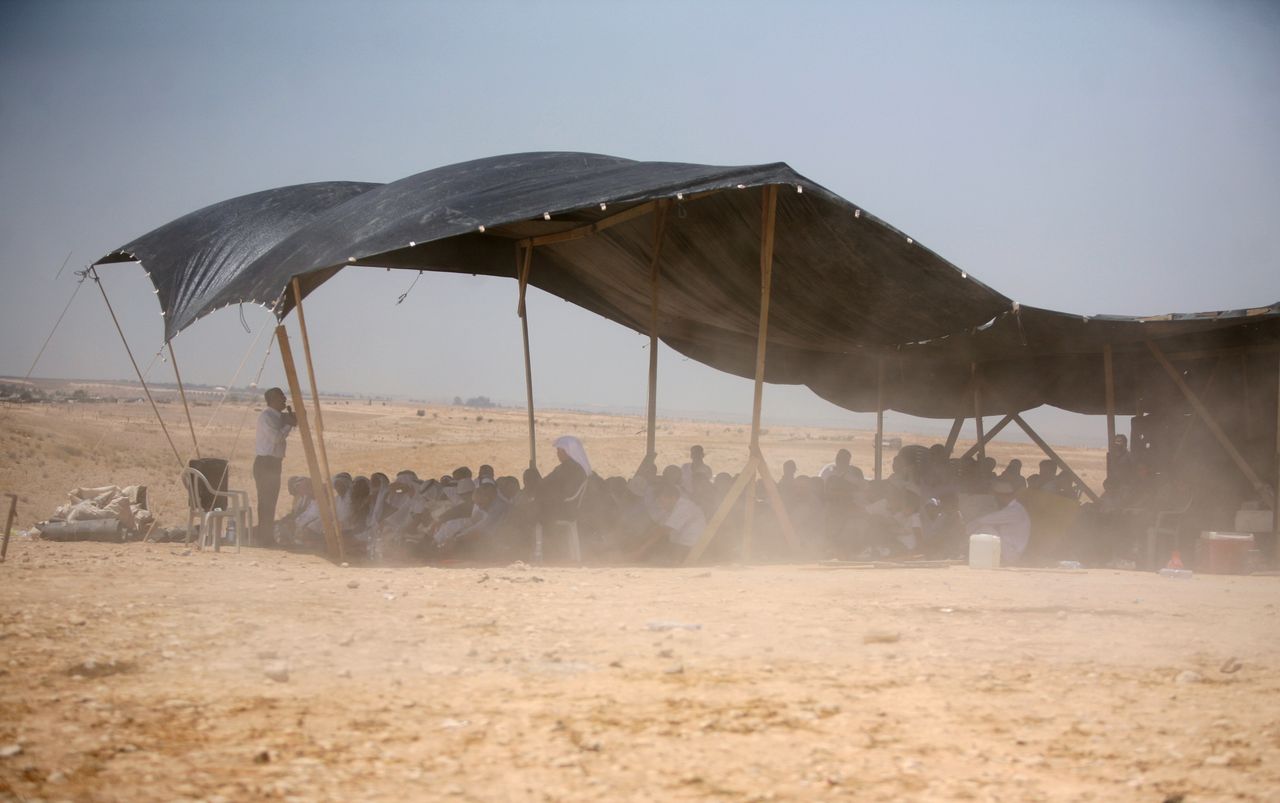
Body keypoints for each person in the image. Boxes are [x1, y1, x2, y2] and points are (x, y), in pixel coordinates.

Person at [253, 387, 295, 546]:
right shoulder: (267, 417)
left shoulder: (277, 416)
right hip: (266, 463)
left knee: (271, 501)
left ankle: (266, 536)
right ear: (272, 400)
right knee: (265, 501)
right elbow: (276, 438)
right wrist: (289, 425)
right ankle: (264, 538)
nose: (285, 400)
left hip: (274, 464)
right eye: (281, 397)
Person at [965, 479, 1031, 563]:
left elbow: (983, 520)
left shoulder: (1013, 511)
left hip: (1011, 553)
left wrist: (965, 531)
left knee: (985, 530)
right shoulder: (1016, 508)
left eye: (996, 496)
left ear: (1002, 496)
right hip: (1010, 550)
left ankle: (968, 553)